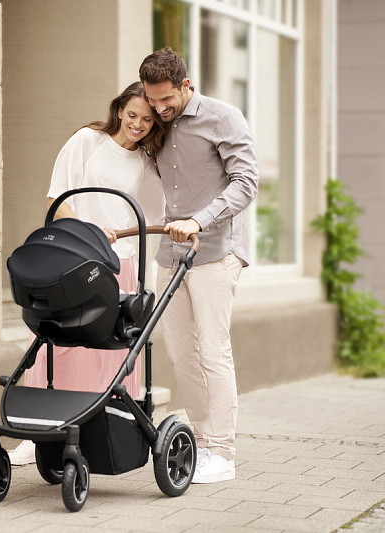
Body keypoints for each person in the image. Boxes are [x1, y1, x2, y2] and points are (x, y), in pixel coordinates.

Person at [8, 82, 166, 465]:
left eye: (147, 120)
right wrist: (88, 235)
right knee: (58, 343)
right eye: (132, 115)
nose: (138, 124)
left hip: (118, 263)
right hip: (75, 258)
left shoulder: (146, 162)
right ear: (119, 110)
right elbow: (56, 198)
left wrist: (123, 235)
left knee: (107, 352)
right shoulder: (87, 140)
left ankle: (100, 435)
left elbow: (152, 215)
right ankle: (37, 436)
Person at [138, 47, 259, 483]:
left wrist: (199, 219)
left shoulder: (222, 117)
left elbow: (247, 181)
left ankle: (223, 453)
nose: (159, 108)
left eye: (167, 99)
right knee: (181, 353)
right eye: (152, 100)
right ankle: (203, 443)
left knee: (212, 350)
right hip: (171, 255)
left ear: (186, 85)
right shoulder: (156, 120)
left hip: (215, 252)